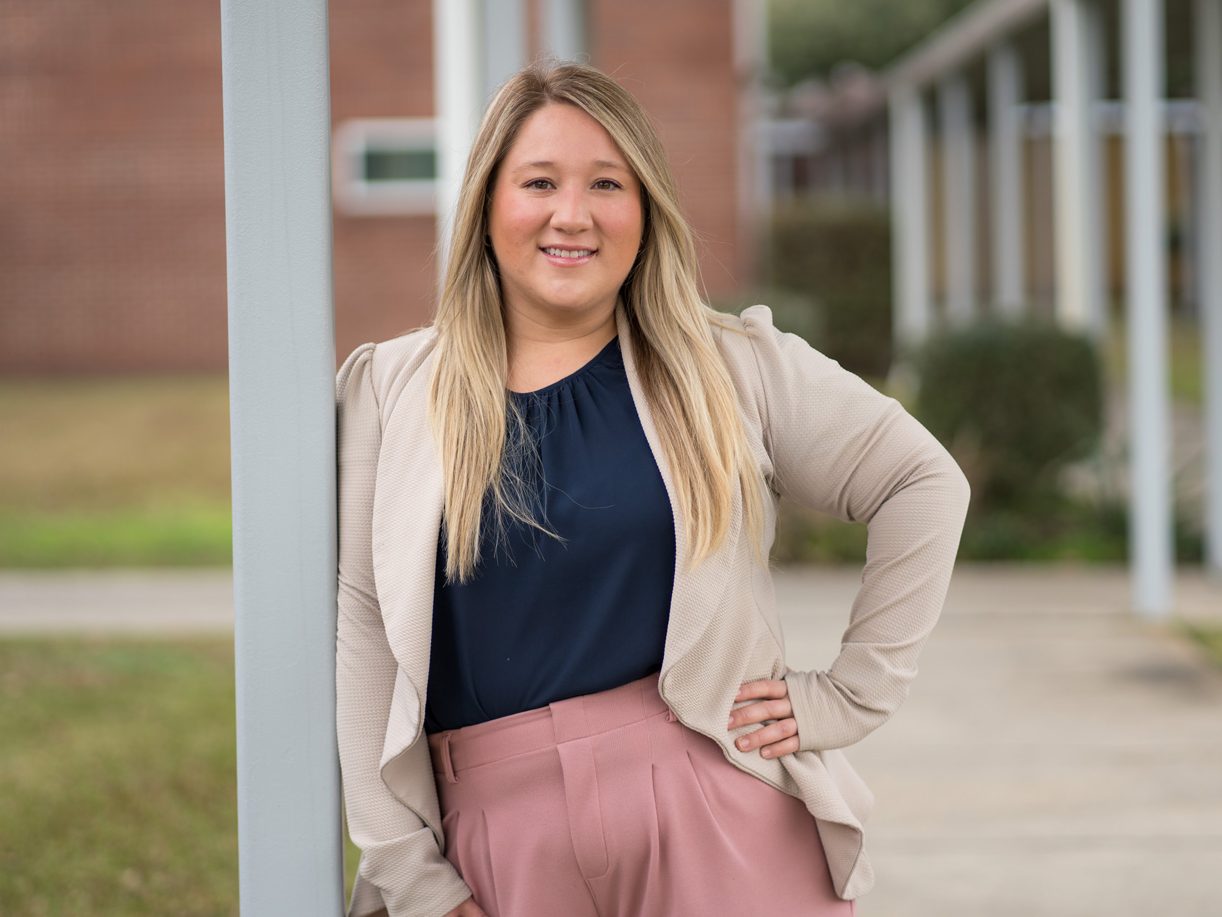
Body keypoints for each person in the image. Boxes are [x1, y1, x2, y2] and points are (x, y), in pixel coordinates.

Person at [335, 59, 970, 917]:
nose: (574, 214)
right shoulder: (392, 391)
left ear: (645, 210)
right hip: (497, 842)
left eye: (607, 183)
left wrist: (853, 693)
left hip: (717, 817)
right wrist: (411, 876)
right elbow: (364, 626)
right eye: (539, 182)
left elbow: (922, 479)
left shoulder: (728, 367)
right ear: (487, 204)